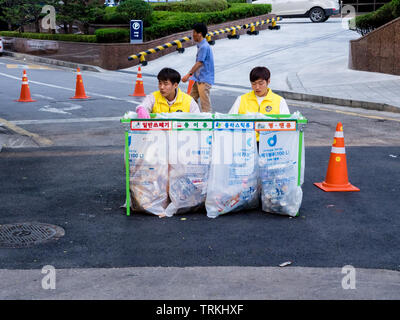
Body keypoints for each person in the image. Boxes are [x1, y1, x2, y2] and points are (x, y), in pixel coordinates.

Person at [136, 67, 200, 118]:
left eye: (166, 84)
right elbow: (144, 106)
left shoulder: (188, 101)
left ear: (175, 85)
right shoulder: (153, 97)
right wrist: (141, 109)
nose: (161, 87)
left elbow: (198, 119)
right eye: (160, 83)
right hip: (157, 133)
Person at [181, 23, 214, 113]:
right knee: (191, 99)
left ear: (200, 34)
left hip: (204, 80)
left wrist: (188, 75)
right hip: (199, 79)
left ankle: (207, 123)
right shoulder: (201, 45)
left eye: (194, 32)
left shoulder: (204, 46)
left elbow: (199, 63)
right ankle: (195, 116)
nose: (193, 34)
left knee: (205, 105)